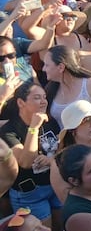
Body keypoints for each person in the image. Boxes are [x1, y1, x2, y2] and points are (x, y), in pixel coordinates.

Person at [0, 83, 61, 230]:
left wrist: (52, 159)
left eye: (44, 97)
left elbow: (63, 149)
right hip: (30, 195)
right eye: (37, 98)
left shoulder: (50, 122)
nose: (43, 101)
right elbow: (26, 162)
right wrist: (33, 128)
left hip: (55, 185)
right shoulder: (9, 131)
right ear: (21, 102)